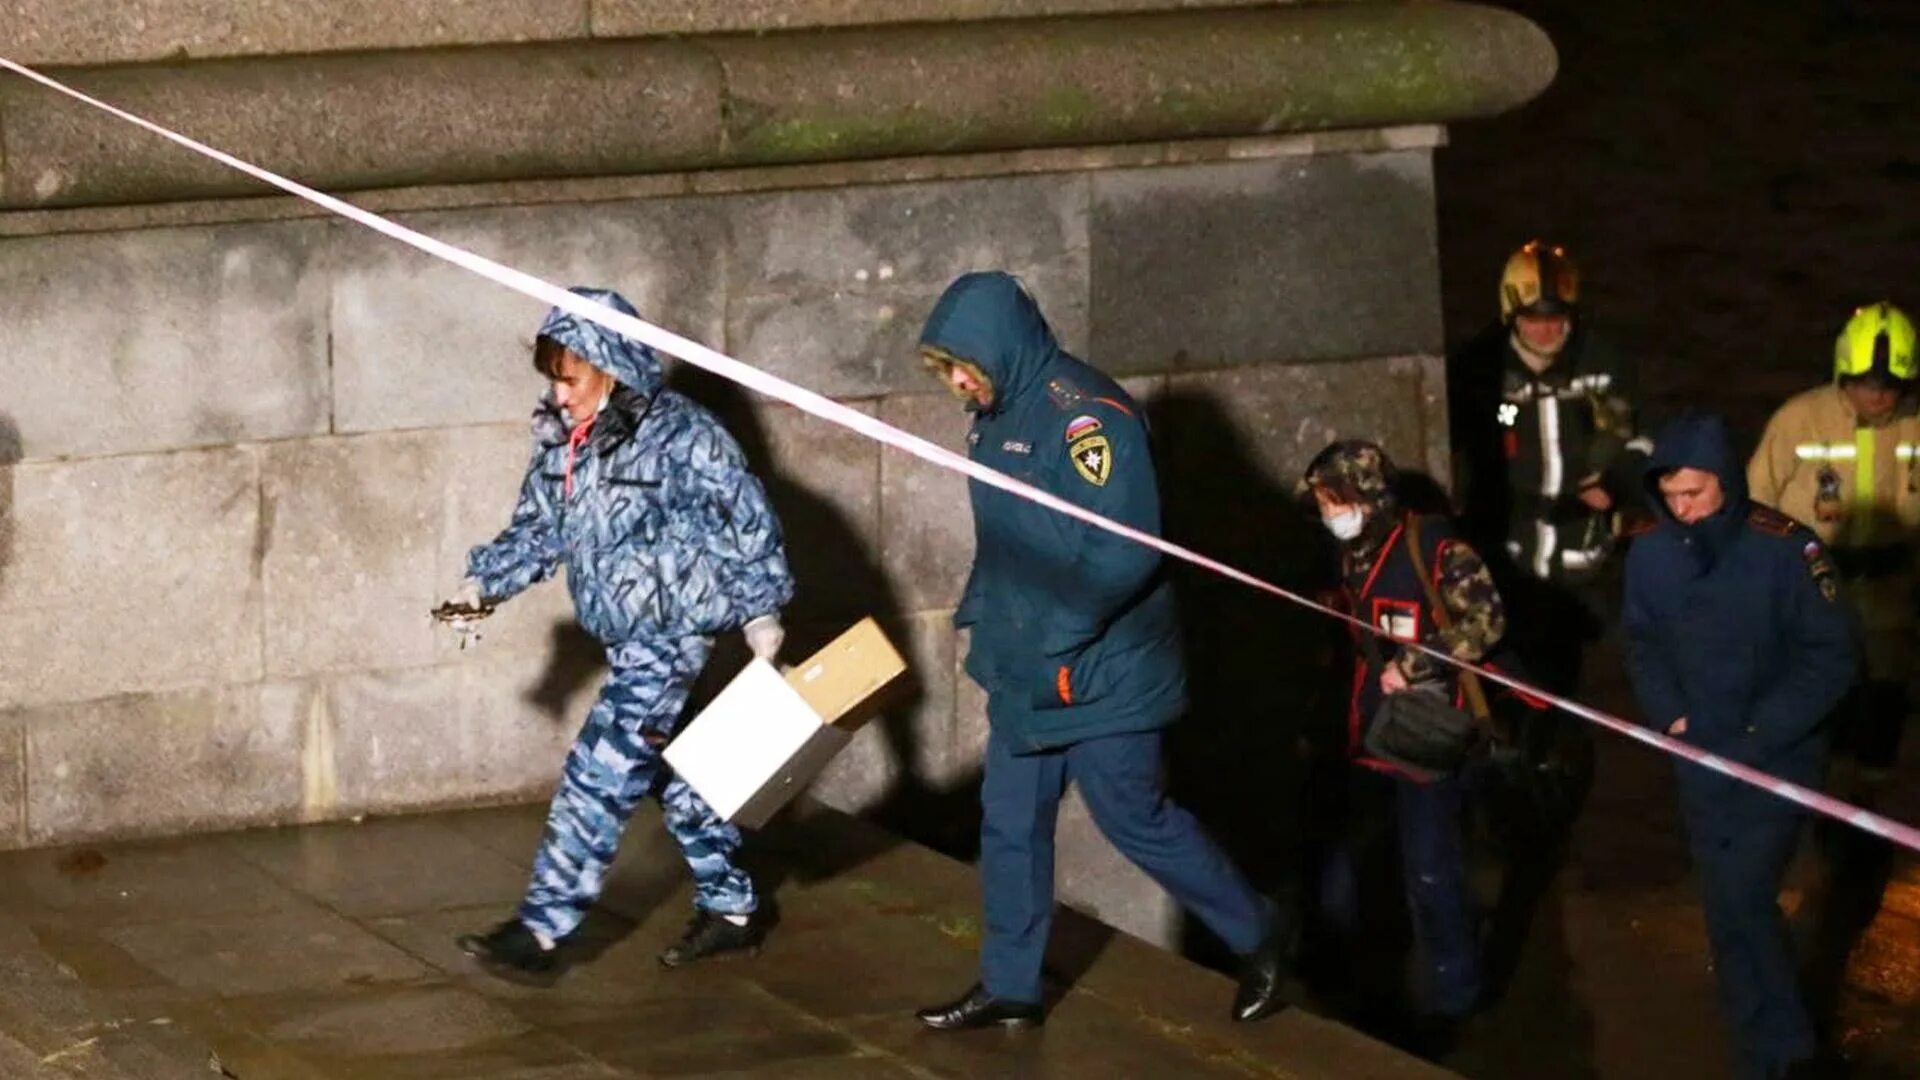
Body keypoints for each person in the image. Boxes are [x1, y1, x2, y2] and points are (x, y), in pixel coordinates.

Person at [909, 271, 1286, 1030]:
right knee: (1009, 821)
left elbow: (1121, 554)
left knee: (1133, 816)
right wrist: (986, 611)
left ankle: (1262, 934)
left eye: (964, 367)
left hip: (1106, 670)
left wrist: (1054, 641)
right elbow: (1012, 534)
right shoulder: (996, 414)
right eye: (948, 368)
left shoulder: (1090, 422)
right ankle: (1011, 984)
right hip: (1031, 668)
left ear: (999, 351)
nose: (956, 383)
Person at [448, 287, 795, 982]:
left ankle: (543, 931)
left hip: (672, 634)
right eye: (552, 375)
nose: (559, 390)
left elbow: (742, 513)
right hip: (626, 637)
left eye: (570, 375)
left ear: (611, 364)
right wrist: (484, 585)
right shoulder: (562, 443)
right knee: (691, 781)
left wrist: (762, 611)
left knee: (600, 773)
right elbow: (538, 529)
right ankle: (734, 909)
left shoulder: (682, 434)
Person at [1624, 411, 1857, 1079]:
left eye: (1693, 494)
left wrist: (1759, 732)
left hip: (1774, 761)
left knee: (1743, 895)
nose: (1682, 509)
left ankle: (1784, 1048)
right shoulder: (1652, 554)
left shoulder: (1787, 551)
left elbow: (1831, 657)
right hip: (1698, 760)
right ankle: (1754, 1041)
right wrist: (1670, 718)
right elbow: (1641, 643)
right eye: (1669, 497)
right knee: (1725, 908)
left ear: (1725, 481)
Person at [1300, 439, 1506, 1034]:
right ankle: (1343, 980)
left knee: (1431, 869)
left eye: (1335, 499)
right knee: (1346, 863)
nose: (1328, 513)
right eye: (1321, 502)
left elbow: (1486, 620)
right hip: (1363, 733)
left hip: (1420, 736)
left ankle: (1455, 995)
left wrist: (1417, 664)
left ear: (1369, 496)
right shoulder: (1345, 556)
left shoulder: (1435, 547)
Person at [1447, 240, 1646, 835]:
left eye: (1556, 319)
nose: (1545, 330)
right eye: (1533, 319)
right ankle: (1501, 785)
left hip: (1575, 558)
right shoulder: (1482, 370)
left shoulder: (1601, 362)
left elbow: (1634, 434)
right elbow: (1474, 442)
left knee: (1562, 676)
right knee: (1502, 669)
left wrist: (1613, 479)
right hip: (1503, 550)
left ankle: (1549, 782)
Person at [1748, 302, 1920, 801]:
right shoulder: (1799, 421)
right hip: (1814, 592)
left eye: (1892, 384)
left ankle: (1866, 814)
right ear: (1845, 372)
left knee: (1886, 707)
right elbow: (1754, 504)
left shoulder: (1914, 428)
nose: (1880, 395)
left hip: (1889, 598)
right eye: (1869, 382)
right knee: (1817, 705)